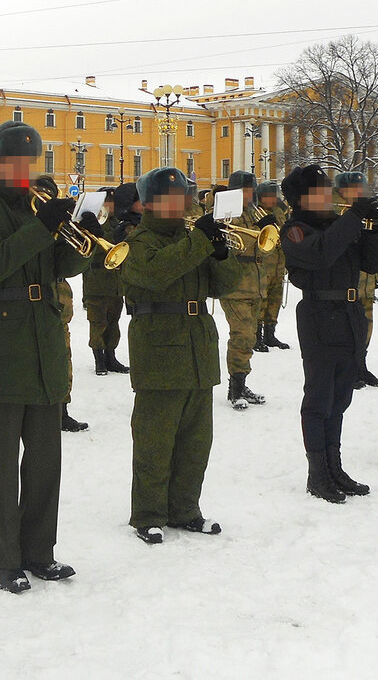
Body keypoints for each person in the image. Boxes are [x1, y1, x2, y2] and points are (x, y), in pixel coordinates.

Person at [0, 120, 93, 594]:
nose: (23, 171)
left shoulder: (32, 201)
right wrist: (41, 227)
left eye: (28, 163)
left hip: (43, 339)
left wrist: (80, 238)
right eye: (13, 163)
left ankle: (39, 551)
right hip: (1, 341)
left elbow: (58, 266)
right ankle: (4, 558)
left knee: (45, 460)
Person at [121, 167, 240, 544]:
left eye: (182, 198)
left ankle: (186, 508)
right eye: (170, 199)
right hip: (159, 349)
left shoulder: (192, 238)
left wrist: (220, 253)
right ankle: (148, 513)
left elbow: (226, 285)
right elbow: (156, 273)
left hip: (197, 348)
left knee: (195, 441)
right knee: (155, 439)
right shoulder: (138, 241)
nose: (181, 205)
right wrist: (201, 242)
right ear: (149, 203)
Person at [281, 164, 378, 503]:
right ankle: (318, 473)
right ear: (302, 198)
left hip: (349, 313)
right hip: (318, 315)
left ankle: (334, 467)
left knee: (340, 397)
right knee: (319, 398)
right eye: (320, 191)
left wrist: (372, 229)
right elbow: (322, 253)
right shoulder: (295, 230)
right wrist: (353, 217)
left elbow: (375, 263)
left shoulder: (339, 225)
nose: (329, 195)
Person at [35, 175, 91, 433]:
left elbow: (67, 264)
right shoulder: (28, 224)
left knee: (63, 358)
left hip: (60, 301)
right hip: (38, 300)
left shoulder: (60, 223)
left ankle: (62, 409)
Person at [218, 171, 274, 409]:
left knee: (250, 336)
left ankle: (241, 382)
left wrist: (269, 228)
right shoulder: (225, 213)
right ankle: (236, 388)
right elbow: (234, 245)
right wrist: (259, 232)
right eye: (245, 190)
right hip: (235, 285)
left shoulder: (254, 212)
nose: (249, 194)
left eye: (251, 190)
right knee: (241, 335)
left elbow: (267, 247)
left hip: (255, 285)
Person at [333, 171, 378, 388]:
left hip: (365, 283)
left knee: (365, 327)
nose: (360, 192)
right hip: (344, 284)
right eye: (355, 189)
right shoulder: (334, 210)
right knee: (345, 330)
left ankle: (360, 366)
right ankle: (347, 370)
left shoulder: (362, 209)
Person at [83, 186, 129, 376]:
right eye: (107, 202)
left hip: (116, 284)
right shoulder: (92, 224)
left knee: (113, 322)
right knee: (98, 322)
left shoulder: (119, 223)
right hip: (97, 283)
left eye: (112, 202)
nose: (110, 206)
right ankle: (99, 359)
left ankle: (111, 357)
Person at [255, 181, 291, 350]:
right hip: (264, 263)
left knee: (275, 299)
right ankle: (257, 335)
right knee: (262, 300)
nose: (271, 199)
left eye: (273, 196)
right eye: (267, 196)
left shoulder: (279, 212)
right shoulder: (256, 213)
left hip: (278, 264)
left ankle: (270, 333)